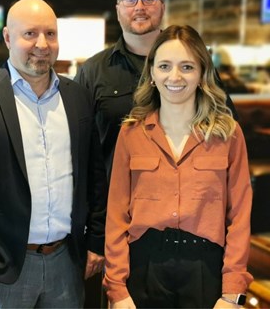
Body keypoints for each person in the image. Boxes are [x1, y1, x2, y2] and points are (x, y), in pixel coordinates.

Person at [0, 0, 107, 308]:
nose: (42, 44)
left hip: (67, 261)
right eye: (30, 34)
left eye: (50, 34)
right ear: (8, 37)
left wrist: (96, 241)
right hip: (3, 266)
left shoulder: (78, 96)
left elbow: (94, 175)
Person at [104, 25, 253, 308]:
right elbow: (116, 216)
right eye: (164, 66)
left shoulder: (228, 134)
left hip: (206, 269)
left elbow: (240, 216)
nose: (175, 77)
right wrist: (117, 289)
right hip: (144, 268)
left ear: (201, 74)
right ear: (151, 74)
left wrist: (233, 291)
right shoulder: (131, 133)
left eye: (186, 66)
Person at [76, 0, 237, 178]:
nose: (140, 7)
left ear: (162, 7)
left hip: (188, 197)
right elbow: (81, 146)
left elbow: (226, 126)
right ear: (118, 10)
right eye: (130, 0)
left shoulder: (194, 63)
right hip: (113, 200)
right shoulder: (92, 71)